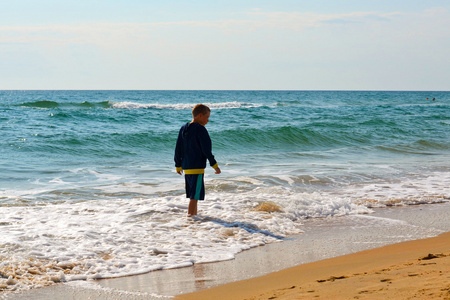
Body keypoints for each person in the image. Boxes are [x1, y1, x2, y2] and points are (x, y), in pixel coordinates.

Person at [174, 104, 221, 217]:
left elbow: (178, 147)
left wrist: (178, 165)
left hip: (186, 167)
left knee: (193, 194)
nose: (208, 120)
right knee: (194, 196)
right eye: (207, 117)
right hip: (197, 167)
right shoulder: (201, 129)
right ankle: (190, 218)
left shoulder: (183, 128)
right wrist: (214, 165)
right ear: (200, 115)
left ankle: (194, 217)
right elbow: (206, 150)